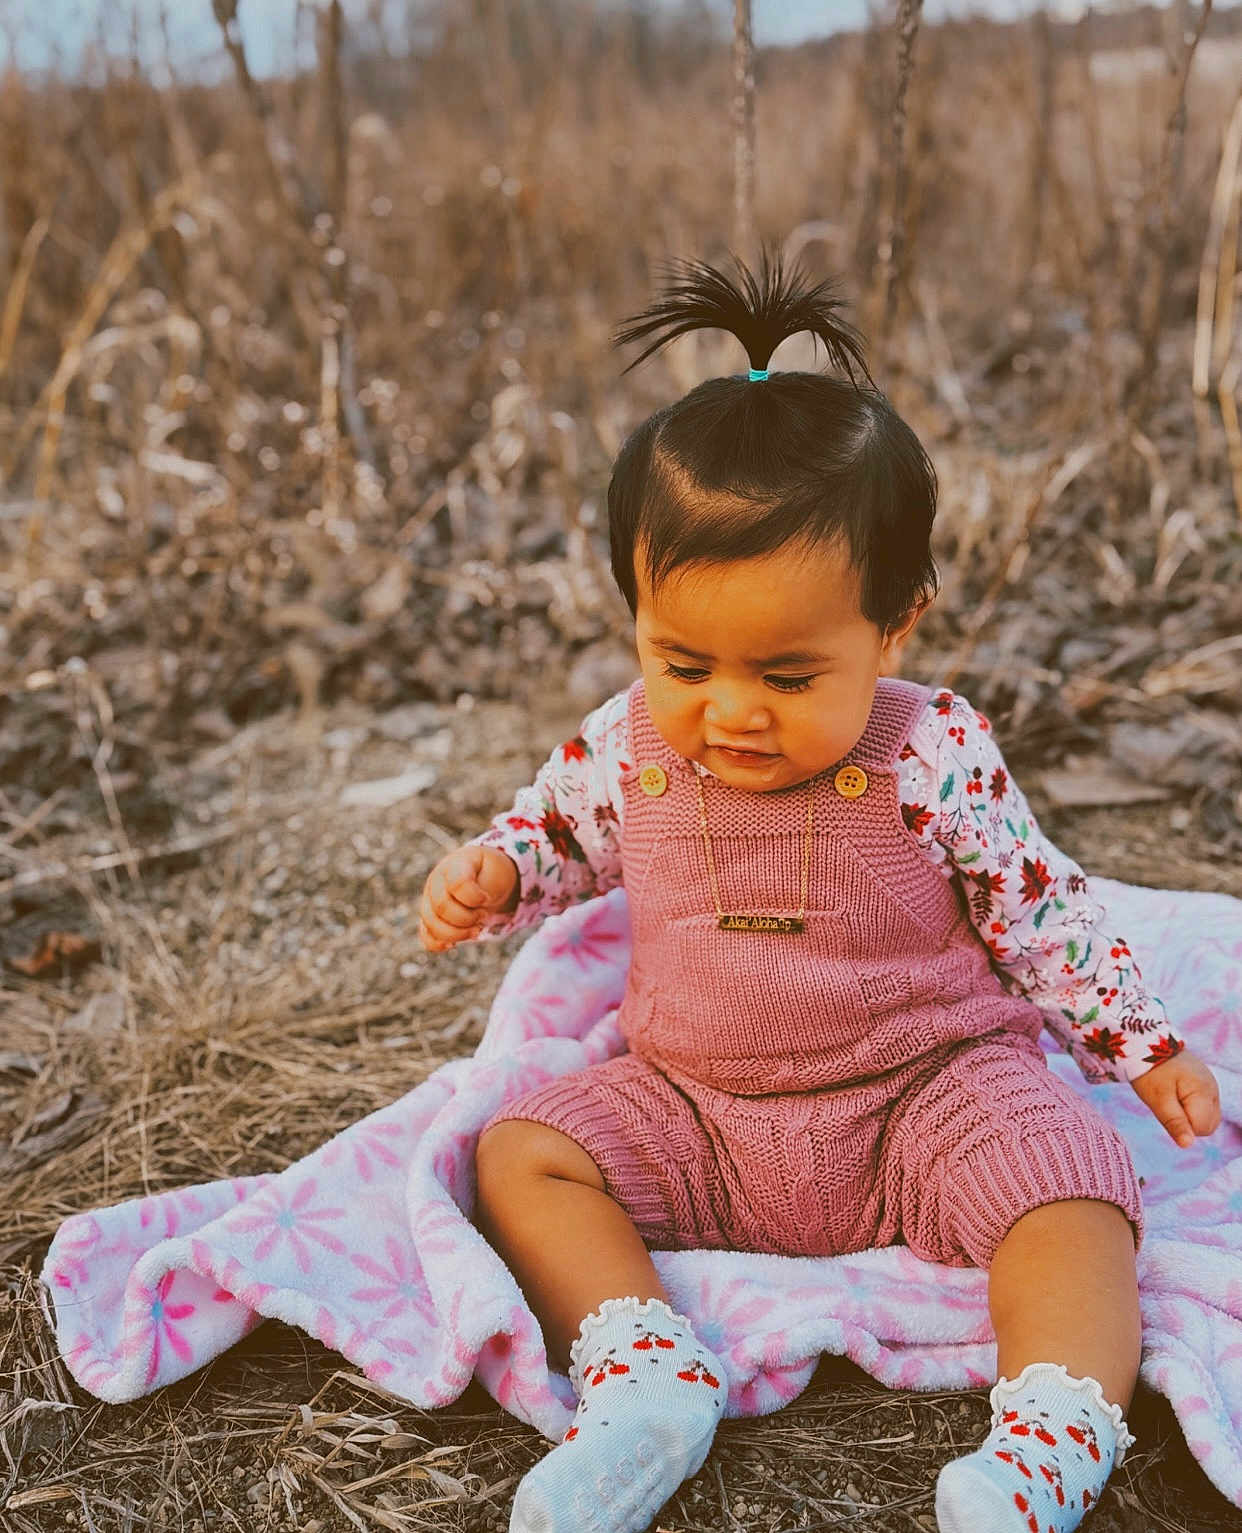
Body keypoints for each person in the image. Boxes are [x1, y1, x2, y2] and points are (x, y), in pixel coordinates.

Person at [417, 251, 1222, 1533]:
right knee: (523, 1152)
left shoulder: (931, 750)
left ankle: (1054, 1432)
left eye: (789, 676)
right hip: (698, 1108)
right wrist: (500, 870)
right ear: (636, 615)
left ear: (897, 623)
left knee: (1074, 1181)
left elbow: (1043, 910)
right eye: (684, 660)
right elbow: (556, 834)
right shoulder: (623, 743)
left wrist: (1143, 1044)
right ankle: (641, 1375)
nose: (729, 711)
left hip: (923, 1097)